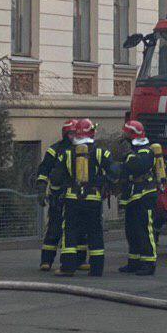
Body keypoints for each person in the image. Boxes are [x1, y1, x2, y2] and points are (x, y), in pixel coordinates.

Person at [50, 118, 111, 276]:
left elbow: (56, 178)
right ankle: (96, 269)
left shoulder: (66, 153)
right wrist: (102, 181)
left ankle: (68, 268)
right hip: (93, 199)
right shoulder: (101, 152)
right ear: (91, 132)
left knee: (70, 232)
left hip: (72, 200)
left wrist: (55, 193)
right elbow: (115, 173)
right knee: (95, 232)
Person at [35, 119, 78, 271]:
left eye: (76, 133)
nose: (74, 136)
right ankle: (46, 261)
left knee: (78, 230)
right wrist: (41, 189)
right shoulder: (54, 150)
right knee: (54, 229)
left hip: (75, 197)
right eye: (72, 133)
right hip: (58, 197)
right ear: (66, 134)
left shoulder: (81, 150)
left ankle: (78, 261)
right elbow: (43, 170)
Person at [118, 120, 159, 276]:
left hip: (145, 196)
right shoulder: (134, 151)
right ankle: (134, 262)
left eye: (127, 134)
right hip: (133, 196)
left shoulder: (146, 152)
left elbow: (137, 166)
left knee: (145, 230)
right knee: (132, 230)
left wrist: (127, 155)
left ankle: (149, 263)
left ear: (133, 135)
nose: (124, 137)